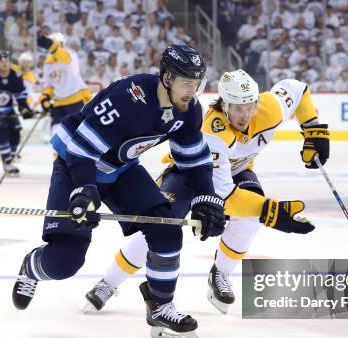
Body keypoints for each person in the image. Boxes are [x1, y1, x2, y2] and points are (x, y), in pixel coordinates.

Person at [11, 45, 226, 338]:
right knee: (64, 262)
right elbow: (81, 150)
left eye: (197, 84)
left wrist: (207, 197)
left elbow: (194, 159)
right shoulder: (130, 96)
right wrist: (85, 189)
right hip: (76, 164)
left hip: (120, 169)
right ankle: (31, 266)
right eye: (186, 83)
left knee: (166, 227)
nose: (192, 91)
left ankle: (160, 306)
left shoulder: (188, 111)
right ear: (166, 78)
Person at [84, 69, 329, 314]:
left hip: (238, 170)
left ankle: (220, 274)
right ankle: (108, 282)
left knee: (251, 220)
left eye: (249, 107)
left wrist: (313, 130)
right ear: (223, 104)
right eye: (236, 108)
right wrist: (270, 210)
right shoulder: (212, 132)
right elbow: (223, 196)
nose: (244, 116)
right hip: (188, 174)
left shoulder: (270, 108)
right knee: (162, 225)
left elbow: (297, 89)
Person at [37, 32, 93, 134]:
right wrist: (45, 97)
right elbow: (49, 85)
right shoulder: (48, 63)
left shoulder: (70, 54)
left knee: (75, 134)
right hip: (58, 103)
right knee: (56, 134)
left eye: (59, 45)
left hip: (75, 101)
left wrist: (52, 46)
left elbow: (65, 58)